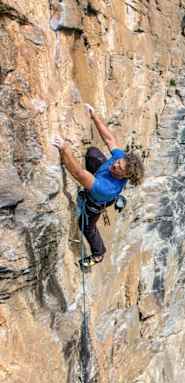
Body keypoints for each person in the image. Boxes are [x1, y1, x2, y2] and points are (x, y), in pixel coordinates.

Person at [53, 104, 145, 270]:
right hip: (101, 180)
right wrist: (94, 115)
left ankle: (98, 253)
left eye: (119, 168)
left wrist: (65, 149)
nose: (115, 165)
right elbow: (109, 139)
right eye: (117, 162)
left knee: (85, 226)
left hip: (97, 200)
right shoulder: (121, 160)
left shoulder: (106, 188)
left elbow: (79, 174)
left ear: (125, 176)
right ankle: (106, 193)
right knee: (93, 153)